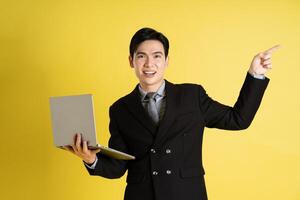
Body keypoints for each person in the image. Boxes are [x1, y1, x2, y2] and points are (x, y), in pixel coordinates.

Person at [65, 27, 280, 200]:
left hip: (187, 194)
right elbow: (119, 167)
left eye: (157, 56)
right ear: (131, 61)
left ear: (167, 61)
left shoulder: (192, 95)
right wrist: (91, 158)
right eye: (141, 56)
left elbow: (238, 119)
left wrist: (255, 75)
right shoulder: (120, 109)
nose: (149, 64)